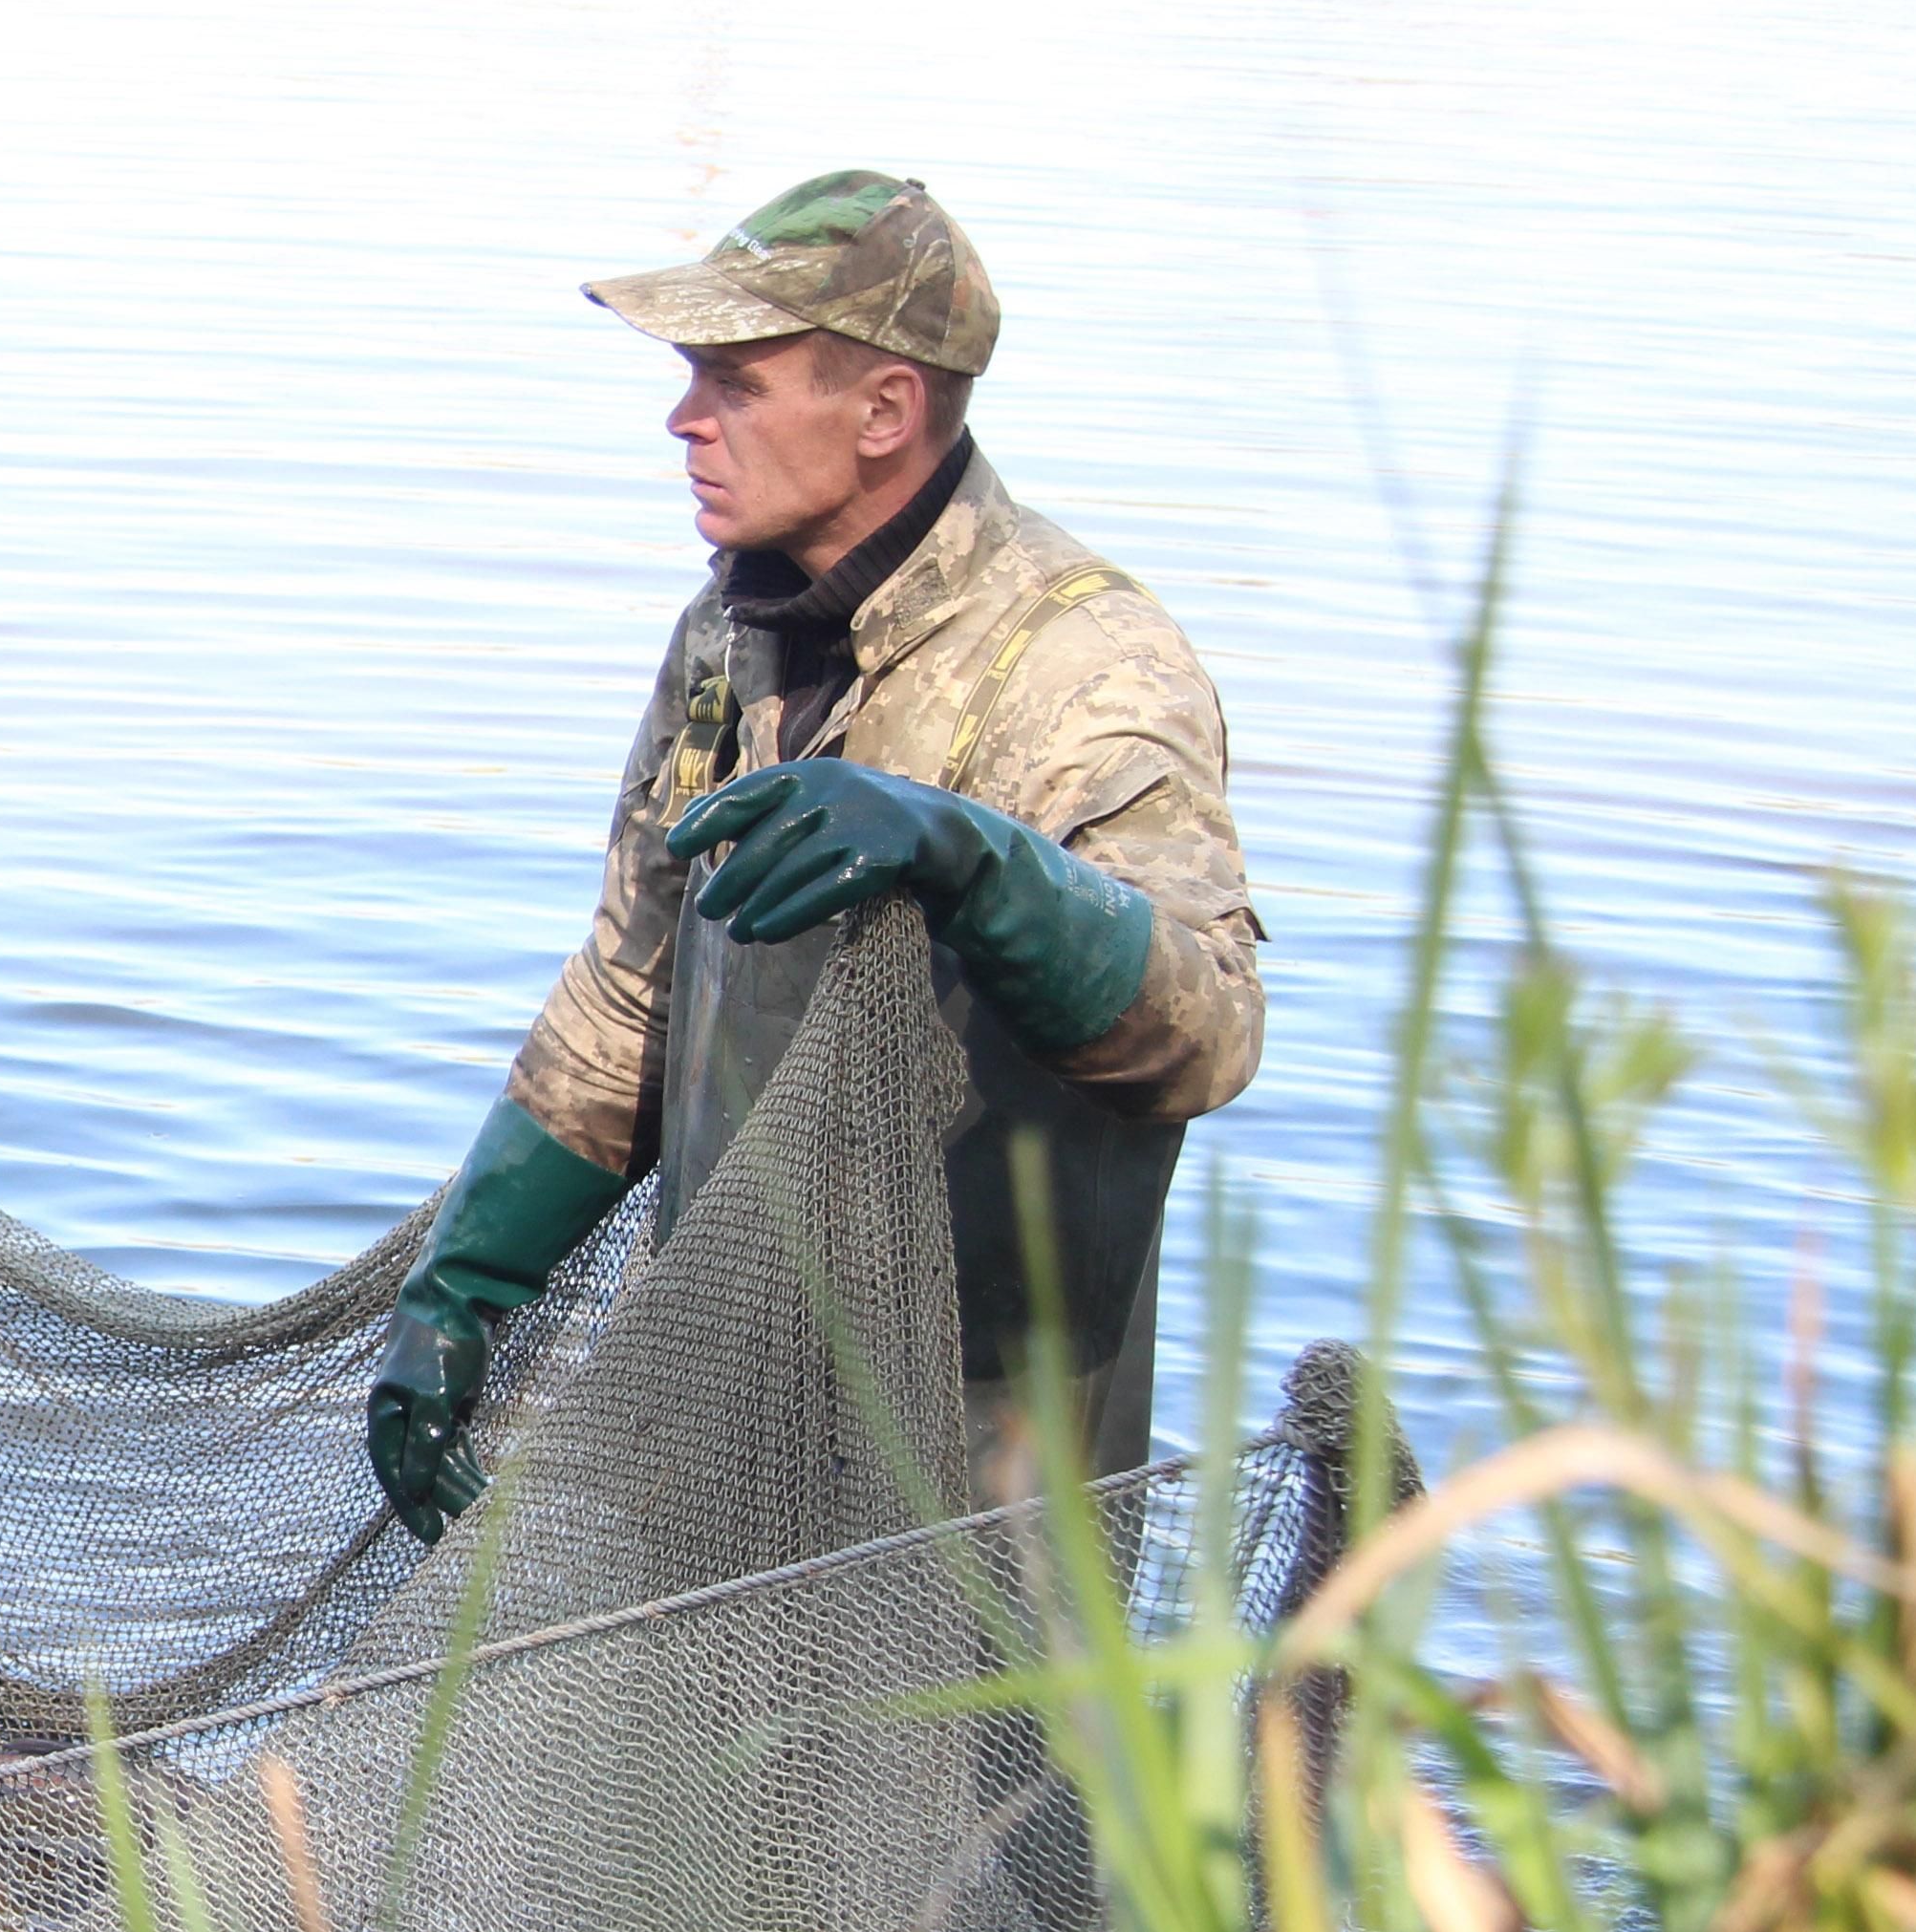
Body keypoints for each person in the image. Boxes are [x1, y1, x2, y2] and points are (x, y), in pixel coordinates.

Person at [368, 172, 1265, 1537]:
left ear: (887, 412)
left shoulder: (1085, 665)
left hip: (981, 1446)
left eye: (734, 380)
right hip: (721, 1379)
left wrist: (969, 859)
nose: (685, 421)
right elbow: (633, 984)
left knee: (980, 1750)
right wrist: (469, 1277)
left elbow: (1206, 1036)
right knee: (678, 1745)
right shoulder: (729, 639)